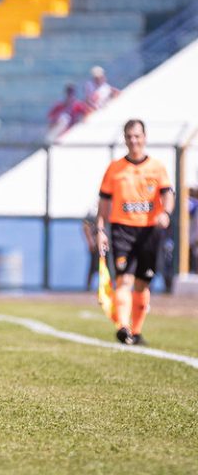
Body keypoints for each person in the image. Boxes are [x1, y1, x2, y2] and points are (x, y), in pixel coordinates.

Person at [96, 119, 174, 346]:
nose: (133, 140)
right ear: (125, 139)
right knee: (124, 280)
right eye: (129, 136)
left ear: (144, 138)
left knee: (142, 283)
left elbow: (168, 193)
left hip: (150, 231)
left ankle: (136, 332)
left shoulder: (157, 167)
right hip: (122, 229)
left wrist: (166, 213)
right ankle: (122, 327)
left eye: (137, 136)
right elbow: (103, 204)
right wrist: (101, 230)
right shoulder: (115, 169)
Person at [82, 208, 99, 292]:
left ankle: (107, 286)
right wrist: (90, 241)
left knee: (106, 267)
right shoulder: (92, 212)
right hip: (96, 245)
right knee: (93, 266)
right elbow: (85, 226)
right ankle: (88, 287)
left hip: (103, 244)